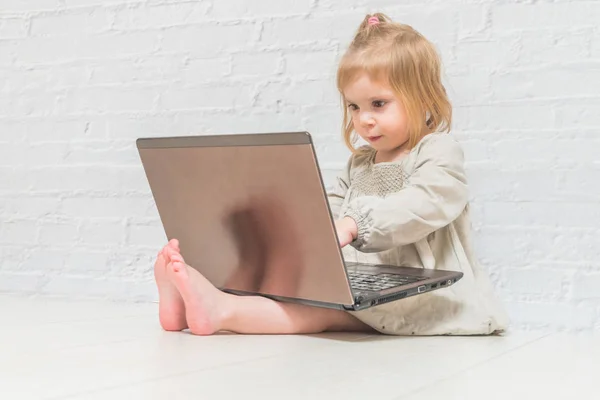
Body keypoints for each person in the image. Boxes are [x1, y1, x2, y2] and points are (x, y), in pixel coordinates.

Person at [153, 13, 509, 336]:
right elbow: (331, 212)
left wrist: (356, 222)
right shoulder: (360, 164)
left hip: (428, 296)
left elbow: (426, 202)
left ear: (422, 96)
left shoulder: (436, 150)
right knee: (291, 286)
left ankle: (222, 311)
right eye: (354, 106)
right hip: (368, 285)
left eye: (378, 104)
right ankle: (191, 302)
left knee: (315, 314)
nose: (364, 119)